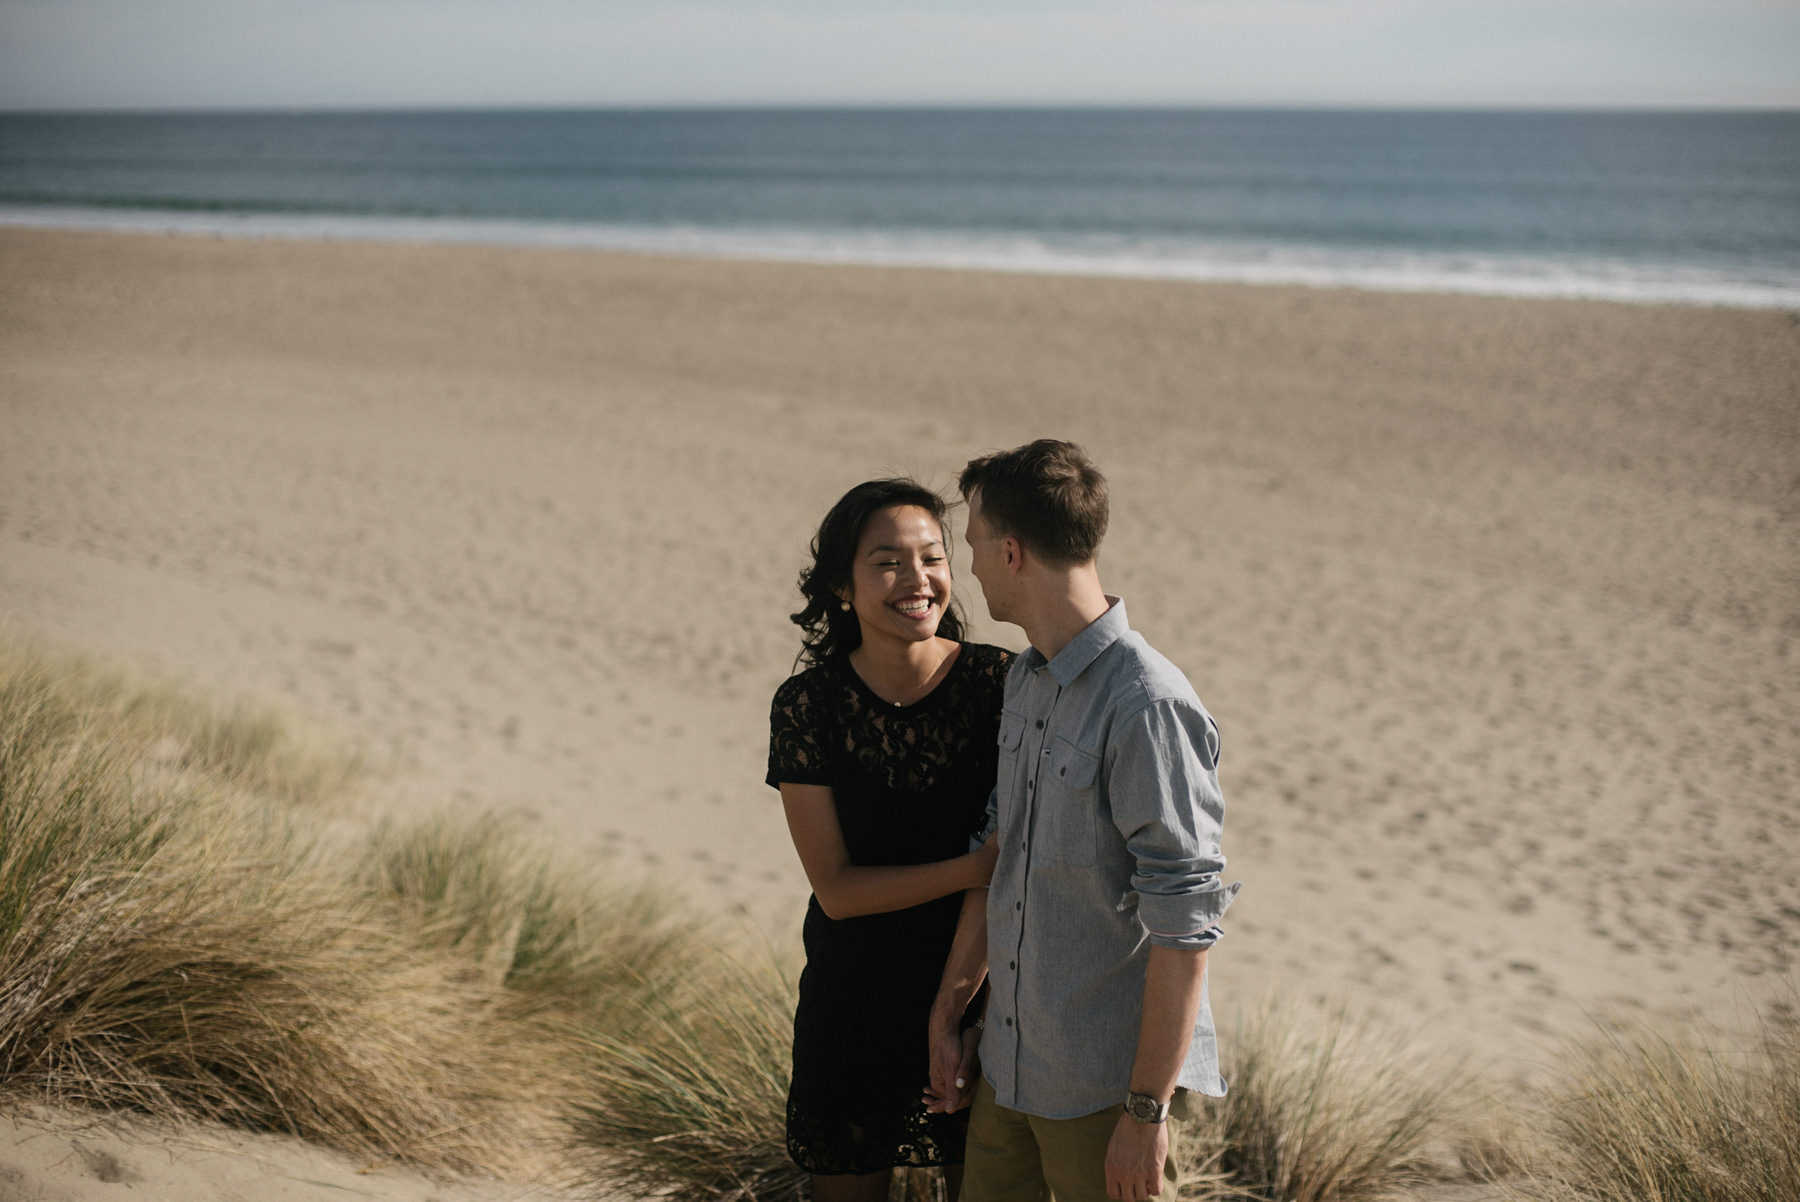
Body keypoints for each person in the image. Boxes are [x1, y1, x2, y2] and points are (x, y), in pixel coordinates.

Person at [924, 440, 1241, 1202]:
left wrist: (1145, 1114)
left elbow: (1186, 929)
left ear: (1010, 552)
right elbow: (1003, 863)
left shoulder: (1148, 705)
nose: (967, 568)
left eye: (971, 547)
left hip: (1104, 1095)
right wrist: (958, 1012)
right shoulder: (1026, 682)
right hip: (1008, 1071)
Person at [768, 478, 1013, 1202]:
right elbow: (838, 892)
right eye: (888, 562)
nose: (917, 581)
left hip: (984, 1002)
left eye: (932, 558)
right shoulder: (808, 706)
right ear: (842, 585)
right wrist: (974, 866)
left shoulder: (1001, 684)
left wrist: (971, 1008)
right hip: (854, 1006)